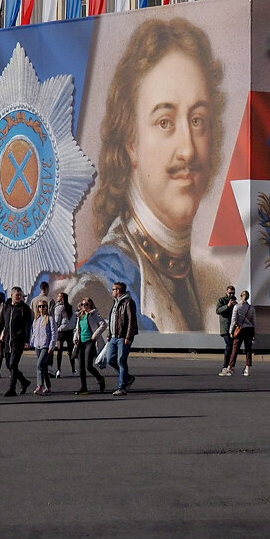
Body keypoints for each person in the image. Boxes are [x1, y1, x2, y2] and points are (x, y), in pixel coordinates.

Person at [59, 18, 230, 333]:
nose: (188, 151)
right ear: (131, 142)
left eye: (198, 120)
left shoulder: (211, 279)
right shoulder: (100, 287)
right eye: (165, 122)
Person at [0, 287, 33, 397]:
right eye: (17, 295)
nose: (19, 297)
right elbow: (1, 322)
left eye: (20, 295)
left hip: (18, 340)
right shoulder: (6, 307)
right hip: (8, 340)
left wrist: (27, 340)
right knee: (9, 365)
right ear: (11, 295)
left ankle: (12, 389)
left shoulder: (24, 309)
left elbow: (28, 325)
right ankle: (24, 381)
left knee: (13, 364)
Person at [107, 281, 138, 396]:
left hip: (123, 337)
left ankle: (122, 387)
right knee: (110, 359)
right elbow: (113, 319)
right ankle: (128, 377)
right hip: (114, 336)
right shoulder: (116, 302)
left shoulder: (128, 302)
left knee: (121, 360)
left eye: (113, 289)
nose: (112, 291)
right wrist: (109, 334)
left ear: (118, 290)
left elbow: (131, 320)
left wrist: (128, 336)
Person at [72, 298, 107, 394]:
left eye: (86, 304)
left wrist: (95, 335)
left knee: (88, 365)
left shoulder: (94, 315)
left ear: (91, 305)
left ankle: (100, 379)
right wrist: (75, 338)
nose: (84, 306)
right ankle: (84, 387)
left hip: (90, 342)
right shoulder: (80, 316)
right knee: (81, 366)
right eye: (82, 304)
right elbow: (77, 329)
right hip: (81, 342)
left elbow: (103, 324)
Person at [222, 290, 256, 377]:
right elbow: (254, 321)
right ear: (248, 297)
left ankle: (230, 367)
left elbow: (234, 320)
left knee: (235, 349)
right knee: (248, 349)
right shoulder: (251, 308)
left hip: (240, 329)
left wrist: (230, 331)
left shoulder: (237, 307)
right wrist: (254, 332)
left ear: (241, 296)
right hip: (249, 329)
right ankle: (247, 368)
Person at [30, 299, 57, 394]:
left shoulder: (50, 318)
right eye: (40, 306)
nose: (42, 308)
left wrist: (52, 345)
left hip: (46, 346)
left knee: (39, 364)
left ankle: (39, 385)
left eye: (43, 306)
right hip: (37, 345)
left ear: (46, 307)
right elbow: (34, 333)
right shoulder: (36, 319)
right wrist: (31, 343)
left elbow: (54, 333)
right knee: (44, 367)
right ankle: (48, 387)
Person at [52, 291, 76, 378]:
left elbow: (56, 321)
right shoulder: (71, 307)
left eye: (59, 296)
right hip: (69, 331)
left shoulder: (58, 308)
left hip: (61, 331)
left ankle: (58, 370)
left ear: (61, 298)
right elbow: (74, 319)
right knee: (70, 351)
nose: (57, 297)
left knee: (59, 351)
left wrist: (56, 329)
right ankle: (73, 369)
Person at [215, 286, 237, 375]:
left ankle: (230, 366)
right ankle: (225, 366)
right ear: (226, 292)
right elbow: (218, 310)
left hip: (233, 328)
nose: (231, 295)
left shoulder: (235, 301)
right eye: (229, 293)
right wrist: (227, 306)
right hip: (225, 327)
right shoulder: (222, 300)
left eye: (233, 293)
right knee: (229, 345)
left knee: (233, 347)